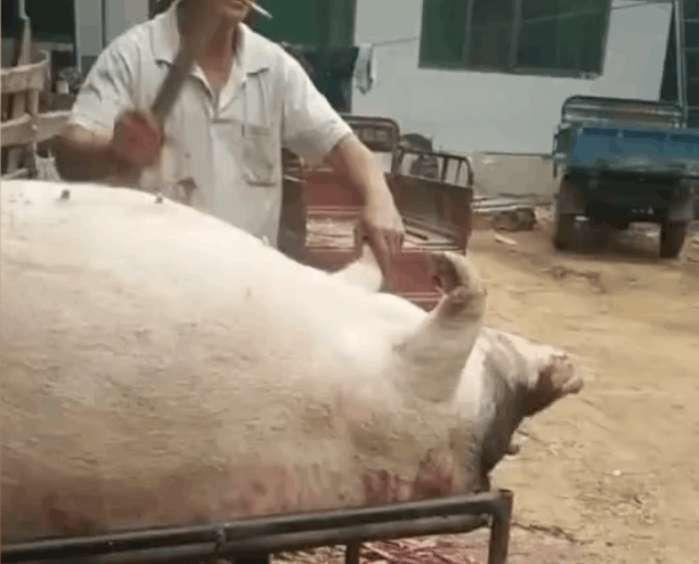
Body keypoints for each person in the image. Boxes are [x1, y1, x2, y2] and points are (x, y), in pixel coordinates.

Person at [54, 0, 404, 275]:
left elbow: (343, 145)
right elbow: (69, 153)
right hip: (155, 287)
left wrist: (380, 198)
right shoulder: (133, 57)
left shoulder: (274, 69)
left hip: (246, 292)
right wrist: (113, 150)